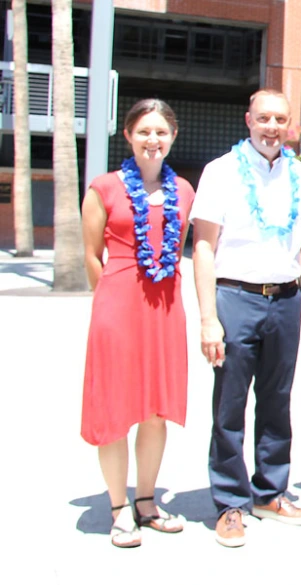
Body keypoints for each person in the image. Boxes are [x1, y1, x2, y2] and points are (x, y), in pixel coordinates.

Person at [191, 88, 301, 548]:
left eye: (280, 119)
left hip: (285, 301)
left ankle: (271, 492)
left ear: (290, 125)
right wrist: (209, 318)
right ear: (248, 119)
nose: (272, 127)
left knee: (276, 401)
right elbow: (204, 246)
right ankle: (230, 502)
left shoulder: (300, 175)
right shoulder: (221, 172)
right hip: (235, 298)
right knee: (229, 404)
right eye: (264, 117)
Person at [80, 98, 195, 548]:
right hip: (118, 305)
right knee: (113, 408)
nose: (153, 139)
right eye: (144, 131)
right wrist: (110, 299)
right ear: (127, 134)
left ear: (172, 136)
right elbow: (92, 255)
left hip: (164, 308)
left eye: (161, 132)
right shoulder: (104, 187)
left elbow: (181, 244)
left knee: (154, 409)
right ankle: (117, 507)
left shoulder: (184, 190)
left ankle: (146, 501)